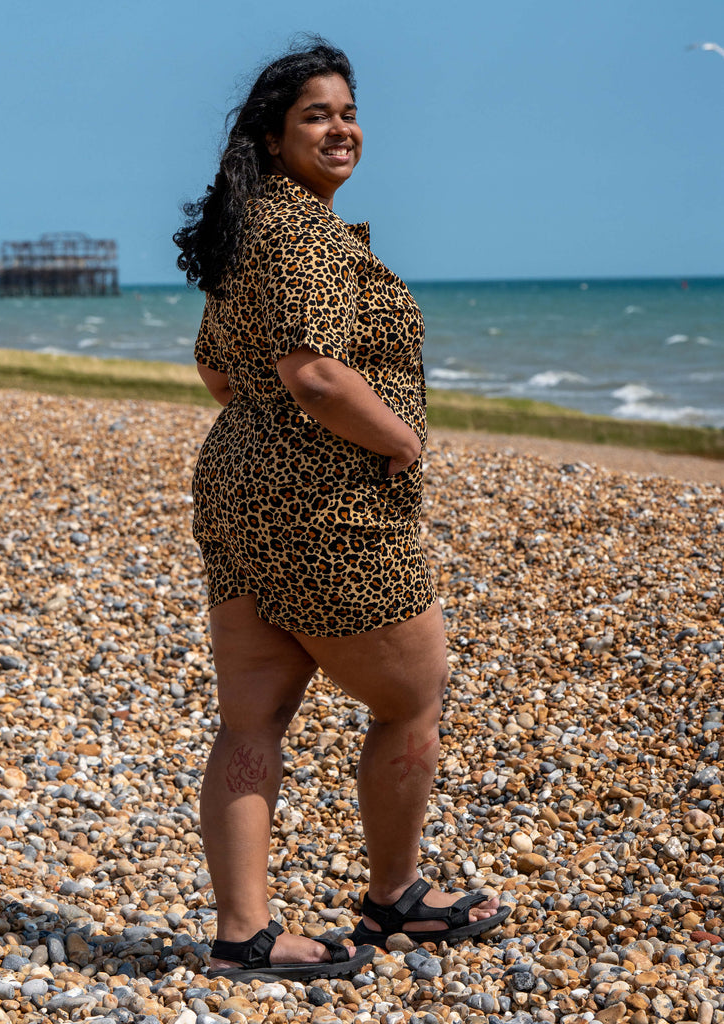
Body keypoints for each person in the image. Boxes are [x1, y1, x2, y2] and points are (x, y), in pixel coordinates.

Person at [173, 39, 510, 983]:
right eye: (315, 114)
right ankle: (395, 893)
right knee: (413, 697)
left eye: (347, 109)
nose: (340, 127)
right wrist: (402, 441)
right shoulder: (308, 237)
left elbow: (216, 372)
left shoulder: (250, 233)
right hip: (330, 507)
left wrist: (279, 428)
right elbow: (314, 374)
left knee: (251, 719)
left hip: (240, 493)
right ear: (274, 139)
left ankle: (244, 932)